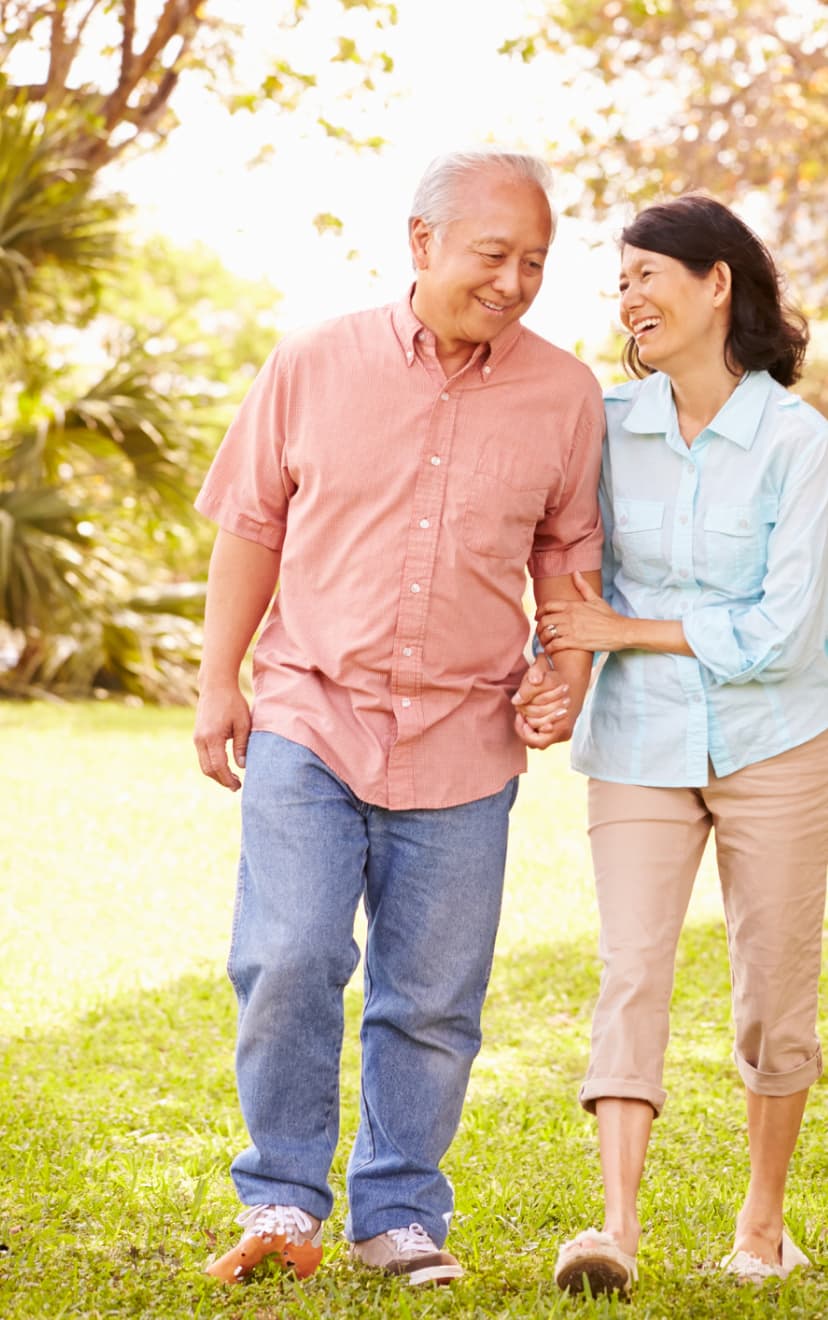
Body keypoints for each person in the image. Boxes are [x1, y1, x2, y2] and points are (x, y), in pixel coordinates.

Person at [192, 148, 605, 1287]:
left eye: (534, 261)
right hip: (310, 713)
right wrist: (217, 678)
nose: (515, 280)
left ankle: (397, 1216)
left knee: (432, 999)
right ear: (422, 245)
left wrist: (558, 668)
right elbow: (251, 524)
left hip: (468, 739)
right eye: (493, 255)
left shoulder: (566, 395)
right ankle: (280, 1203)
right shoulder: (312, 362)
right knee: (288, 955)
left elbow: (565, 556)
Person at [517, 193, 828, 1296]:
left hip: (777, 741)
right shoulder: (606, 425)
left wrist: (627, 631)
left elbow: (785, 633)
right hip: (639, 739)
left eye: (648, 274)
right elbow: (568, 559)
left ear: (717, 284)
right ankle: (614, 1231)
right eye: (622, 280)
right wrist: (558, 668)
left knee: (774, 990)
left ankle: (761, 1221)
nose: (628, 296)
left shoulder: (799, 445)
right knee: (632, 968)